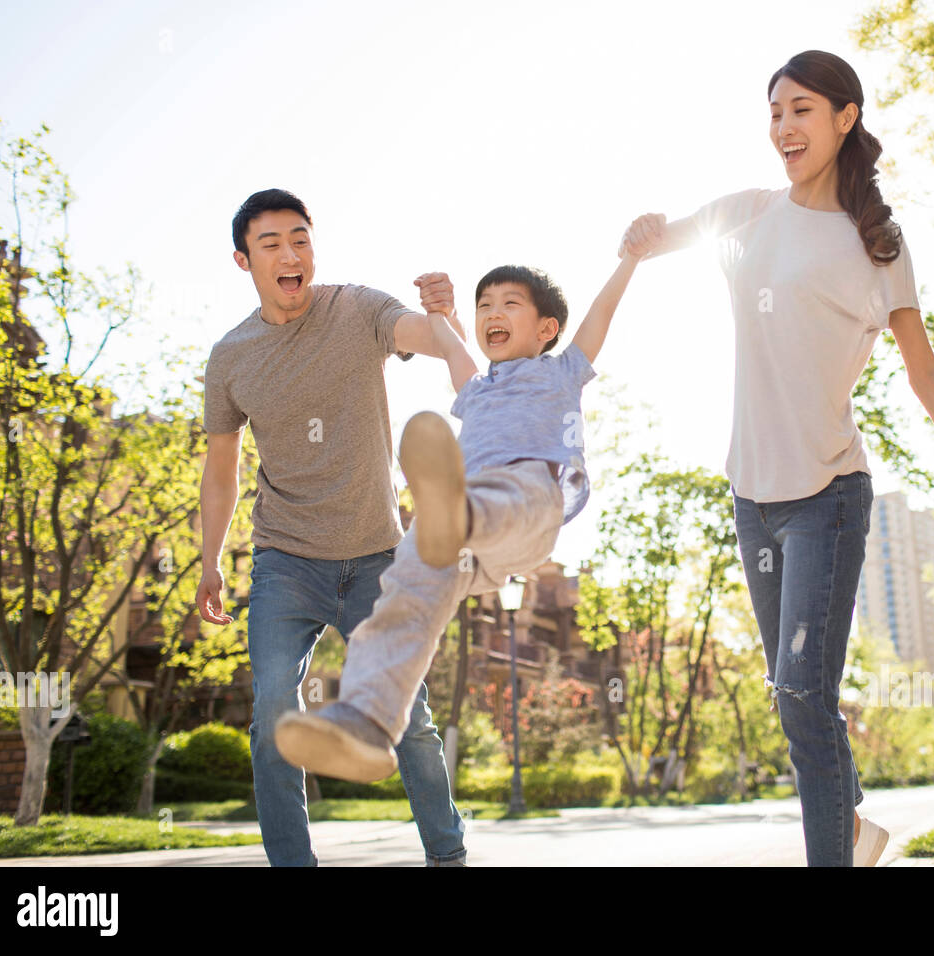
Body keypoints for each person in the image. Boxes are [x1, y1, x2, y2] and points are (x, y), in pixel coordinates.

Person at [617, 50, 934, 867]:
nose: (783, 127)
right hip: (750, 493)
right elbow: (663, 241)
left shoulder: (878, 244)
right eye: (773, 113)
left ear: (845, 117)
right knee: (796, 700)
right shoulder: (751, 212)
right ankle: (856, 830)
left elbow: (923, 370)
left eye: (801, 109)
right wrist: (643, 234)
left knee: (804, 694)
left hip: (828, 492)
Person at [272, 236, 657, 784]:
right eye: (484, 306)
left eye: (509, 304)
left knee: (490, 499)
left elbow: (601, 313)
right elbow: (450, 343)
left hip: (529, 504)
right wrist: (440, 311)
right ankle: (367, 720)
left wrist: (631, 258)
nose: (492, 314)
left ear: (547, 328)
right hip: (469, 550)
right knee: (405, 593)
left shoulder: (563, 369)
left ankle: (455, 516)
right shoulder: (473, 390)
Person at [198, 188, 468, 866]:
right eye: (271, 244)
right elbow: (221, 470)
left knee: (410, 722)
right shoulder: (231, 358)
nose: (291, 255)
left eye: (301, 239)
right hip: (285, 563)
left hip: (378, 556)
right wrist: (209, 562)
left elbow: (427, 339)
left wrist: (446, 314)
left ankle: (449, 856)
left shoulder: (358, 309)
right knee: (272, 716)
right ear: (243, 260)